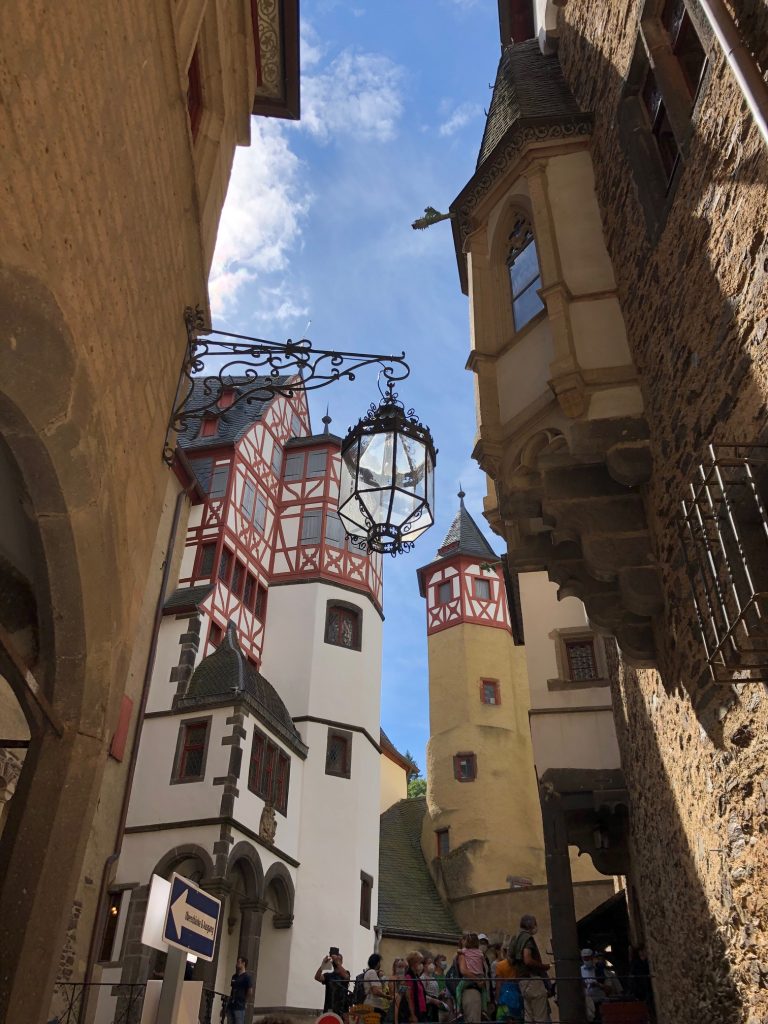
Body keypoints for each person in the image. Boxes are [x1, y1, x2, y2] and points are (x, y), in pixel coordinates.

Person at [509, 915, 550, 1024]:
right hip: (533, 979)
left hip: (522, 981)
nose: (536, 926)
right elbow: (527, 959)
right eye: (535, 923)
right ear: (531, 925)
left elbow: (510, 958)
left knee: (529, 1018)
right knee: (540, 1017)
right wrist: (544, 966)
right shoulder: (527, 938)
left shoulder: (516, 937)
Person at [457, 933, 488, 1023]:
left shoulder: (464, 952)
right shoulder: (480, 953)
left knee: (458, 988)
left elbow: (463, 971)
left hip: (469, 980)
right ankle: (484, 1009)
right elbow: (484, 963)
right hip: (480, 976)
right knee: (484, 991)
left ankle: (458, 1008)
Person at [315, 948, 351, 1020]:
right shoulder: (328, 975)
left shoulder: (346, 973)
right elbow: (317, 977)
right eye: (335, 959)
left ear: (341, 962)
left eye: (339, 959)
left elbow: (346, 977)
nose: (336, 960)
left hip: (342, 1010)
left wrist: (337, 963)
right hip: (329, 1009)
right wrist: (323, 965)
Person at [495, 946, 523, 1023]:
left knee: (503, 1018)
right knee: (517, 1019)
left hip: (504, 996)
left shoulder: (500, 965)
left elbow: (498, 985)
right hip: (517, 996)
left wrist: (497, 999)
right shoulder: (519, 965)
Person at [403, 951, 429, 1023]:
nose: (421, 965)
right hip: (415, 1012)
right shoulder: (409, 977)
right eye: (420, 962)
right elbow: (409, 998)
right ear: (413, 963)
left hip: (422, 1011)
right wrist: (412, 1015)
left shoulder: (416, 977)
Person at [227, 957, 254, 1024]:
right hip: (231, 1005)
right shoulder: (234, 976)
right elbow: (232, 989)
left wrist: (245, 1001)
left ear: (243, 963)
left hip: (240, 1006)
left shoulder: (247, 977)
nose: (236, 964)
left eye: (238, 962)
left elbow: (250, 991)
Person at [364, 953, 389, 1020]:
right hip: (373, 1006)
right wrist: (387, 997)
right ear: (377, 963)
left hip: (374, 1006)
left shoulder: (371, 972)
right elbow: (375, 991)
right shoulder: (372, 972)